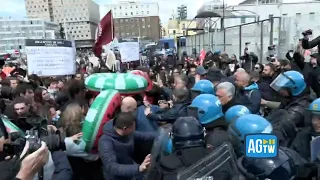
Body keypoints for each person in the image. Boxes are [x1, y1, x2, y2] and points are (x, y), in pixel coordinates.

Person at [98, 112, 155, 180]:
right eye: (133, 127)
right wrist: (138, 168)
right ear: (124, 129)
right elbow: (112, 167)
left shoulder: (128, 133)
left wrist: (164, 133)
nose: (134, 129)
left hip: (130, 166)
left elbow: (145, 136)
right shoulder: (105, 142)